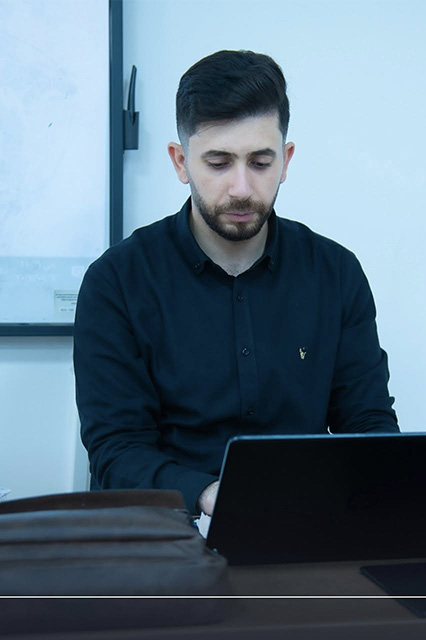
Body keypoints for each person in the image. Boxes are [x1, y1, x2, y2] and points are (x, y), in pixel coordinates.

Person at [73, 50, 398, 516]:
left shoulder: (336, 273)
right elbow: (116, 451)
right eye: (219, 163)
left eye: (260, 163)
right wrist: (210, 495)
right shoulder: (117, 282)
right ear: (181, 162)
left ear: (285, 160)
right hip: (169, 531)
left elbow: (367, 424)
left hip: (307, 525)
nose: (242, 188)